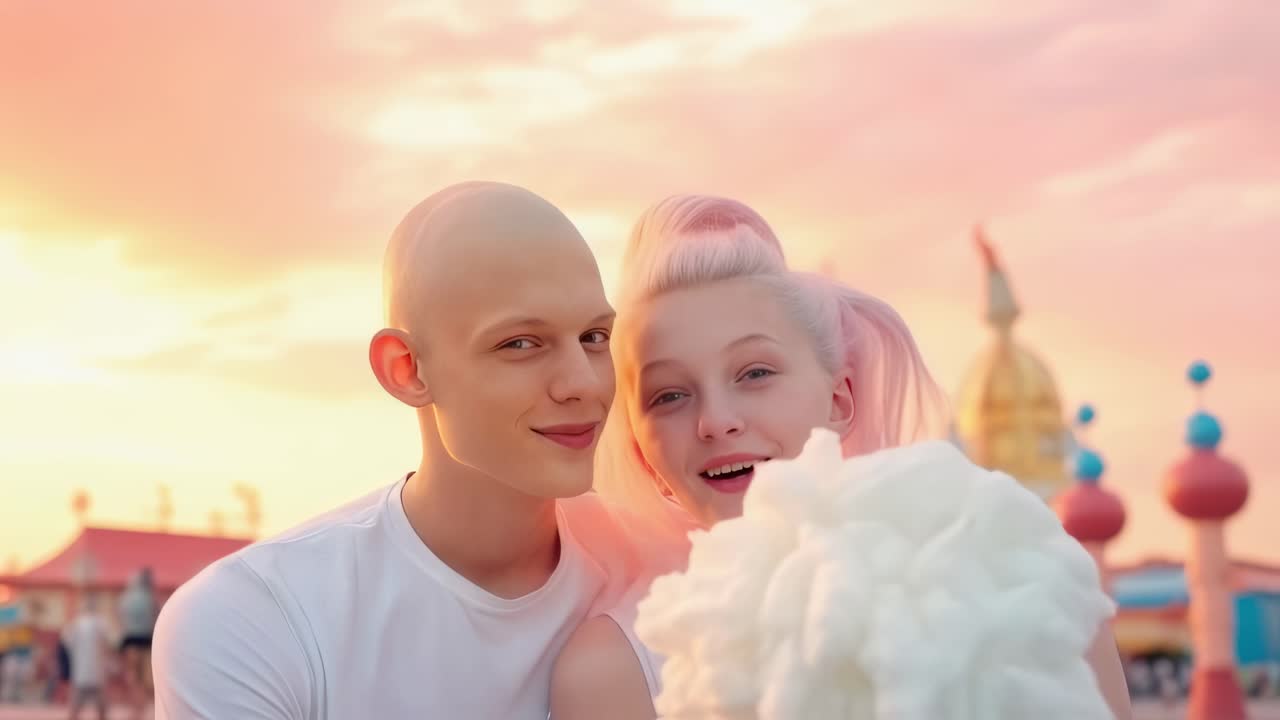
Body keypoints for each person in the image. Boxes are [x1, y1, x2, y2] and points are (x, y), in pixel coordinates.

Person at [550, 194, 1133, 720]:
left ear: (840, 399)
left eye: (755, 373)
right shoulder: (614, 674)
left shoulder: (1023, 586)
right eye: (669, 395)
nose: (716, 420)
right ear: (643, 452)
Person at [152, 182, 644, 719]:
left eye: (595, 337)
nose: (583, 382)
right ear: (405, 369)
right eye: (520, 343)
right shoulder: (256, 618)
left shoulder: (662, 568)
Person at [63, 595, 111, 720]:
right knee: (101, 705)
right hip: (96, 669)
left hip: (81, 670)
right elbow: (106, 644)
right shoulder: (101, 623)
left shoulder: (77, 623)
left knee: (77, 704)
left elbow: (67, 643)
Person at [118, 567, 157, 720]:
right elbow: (155, 619)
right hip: (146, 640)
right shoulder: (151, 598)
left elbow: (121, 620)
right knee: (145, 678)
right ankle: (142, 708)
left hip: (131, 641)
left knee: (133, 677)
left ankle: (136, 710)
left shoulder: (126, 598)